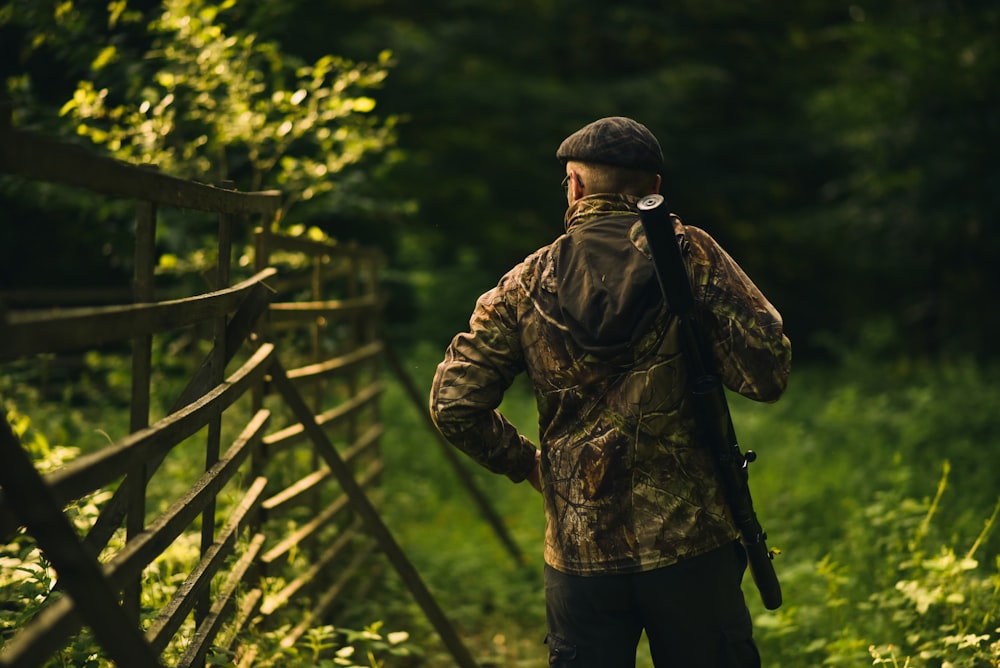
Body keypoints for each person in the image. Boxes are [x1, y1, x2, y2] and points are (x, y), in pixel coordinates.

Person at [429, 116, 792, 667]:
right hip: (692, 545)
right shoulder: (692, 255)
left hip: (581, 557)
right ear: (654, 190)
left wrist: (528, 463)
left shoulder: (526, 284)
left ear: (574, 187)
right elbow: (767, 375)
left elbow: (454, 404)